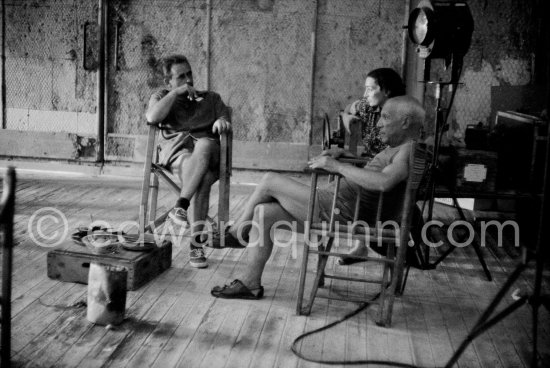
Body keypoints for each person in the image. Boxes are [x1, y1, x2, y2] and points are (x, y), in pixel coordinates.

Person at [209, 96, 425, 299]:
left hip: (342, 212)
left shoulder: (408, 151)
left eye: (386, 117)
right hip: (337, 206)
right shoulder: (398, 149)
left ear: (405, 122)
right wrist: (348, 158)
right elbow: (377, 171)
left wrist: (337, 166)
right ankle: (250, 284)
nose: (378, 124)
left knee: (268, 180)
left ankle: (237, 233)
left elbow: (383, 182)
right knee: (263, 212)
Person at [145, 54, 232, 269]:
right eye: (181, 77)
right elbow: (152, 118)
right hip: (178, 156)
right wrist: (175, 94)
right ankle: (196, 244)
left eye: (189, 74)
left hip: (210, 154)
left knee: (204, 144)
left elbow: (224, 117)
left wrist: (221, 122)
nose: (188, 80)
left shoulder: (211, 98)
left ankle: (181, 205)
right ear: (169, 81)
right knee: (202, 180)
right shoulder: (162, 97)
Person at [341, 68, 406, 157]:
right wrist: (345, 117)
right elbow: (349, 108)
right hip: (367, 161)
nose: (365, 94)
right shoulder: (368, 106)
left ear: (387, 91)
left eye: (370, 89)